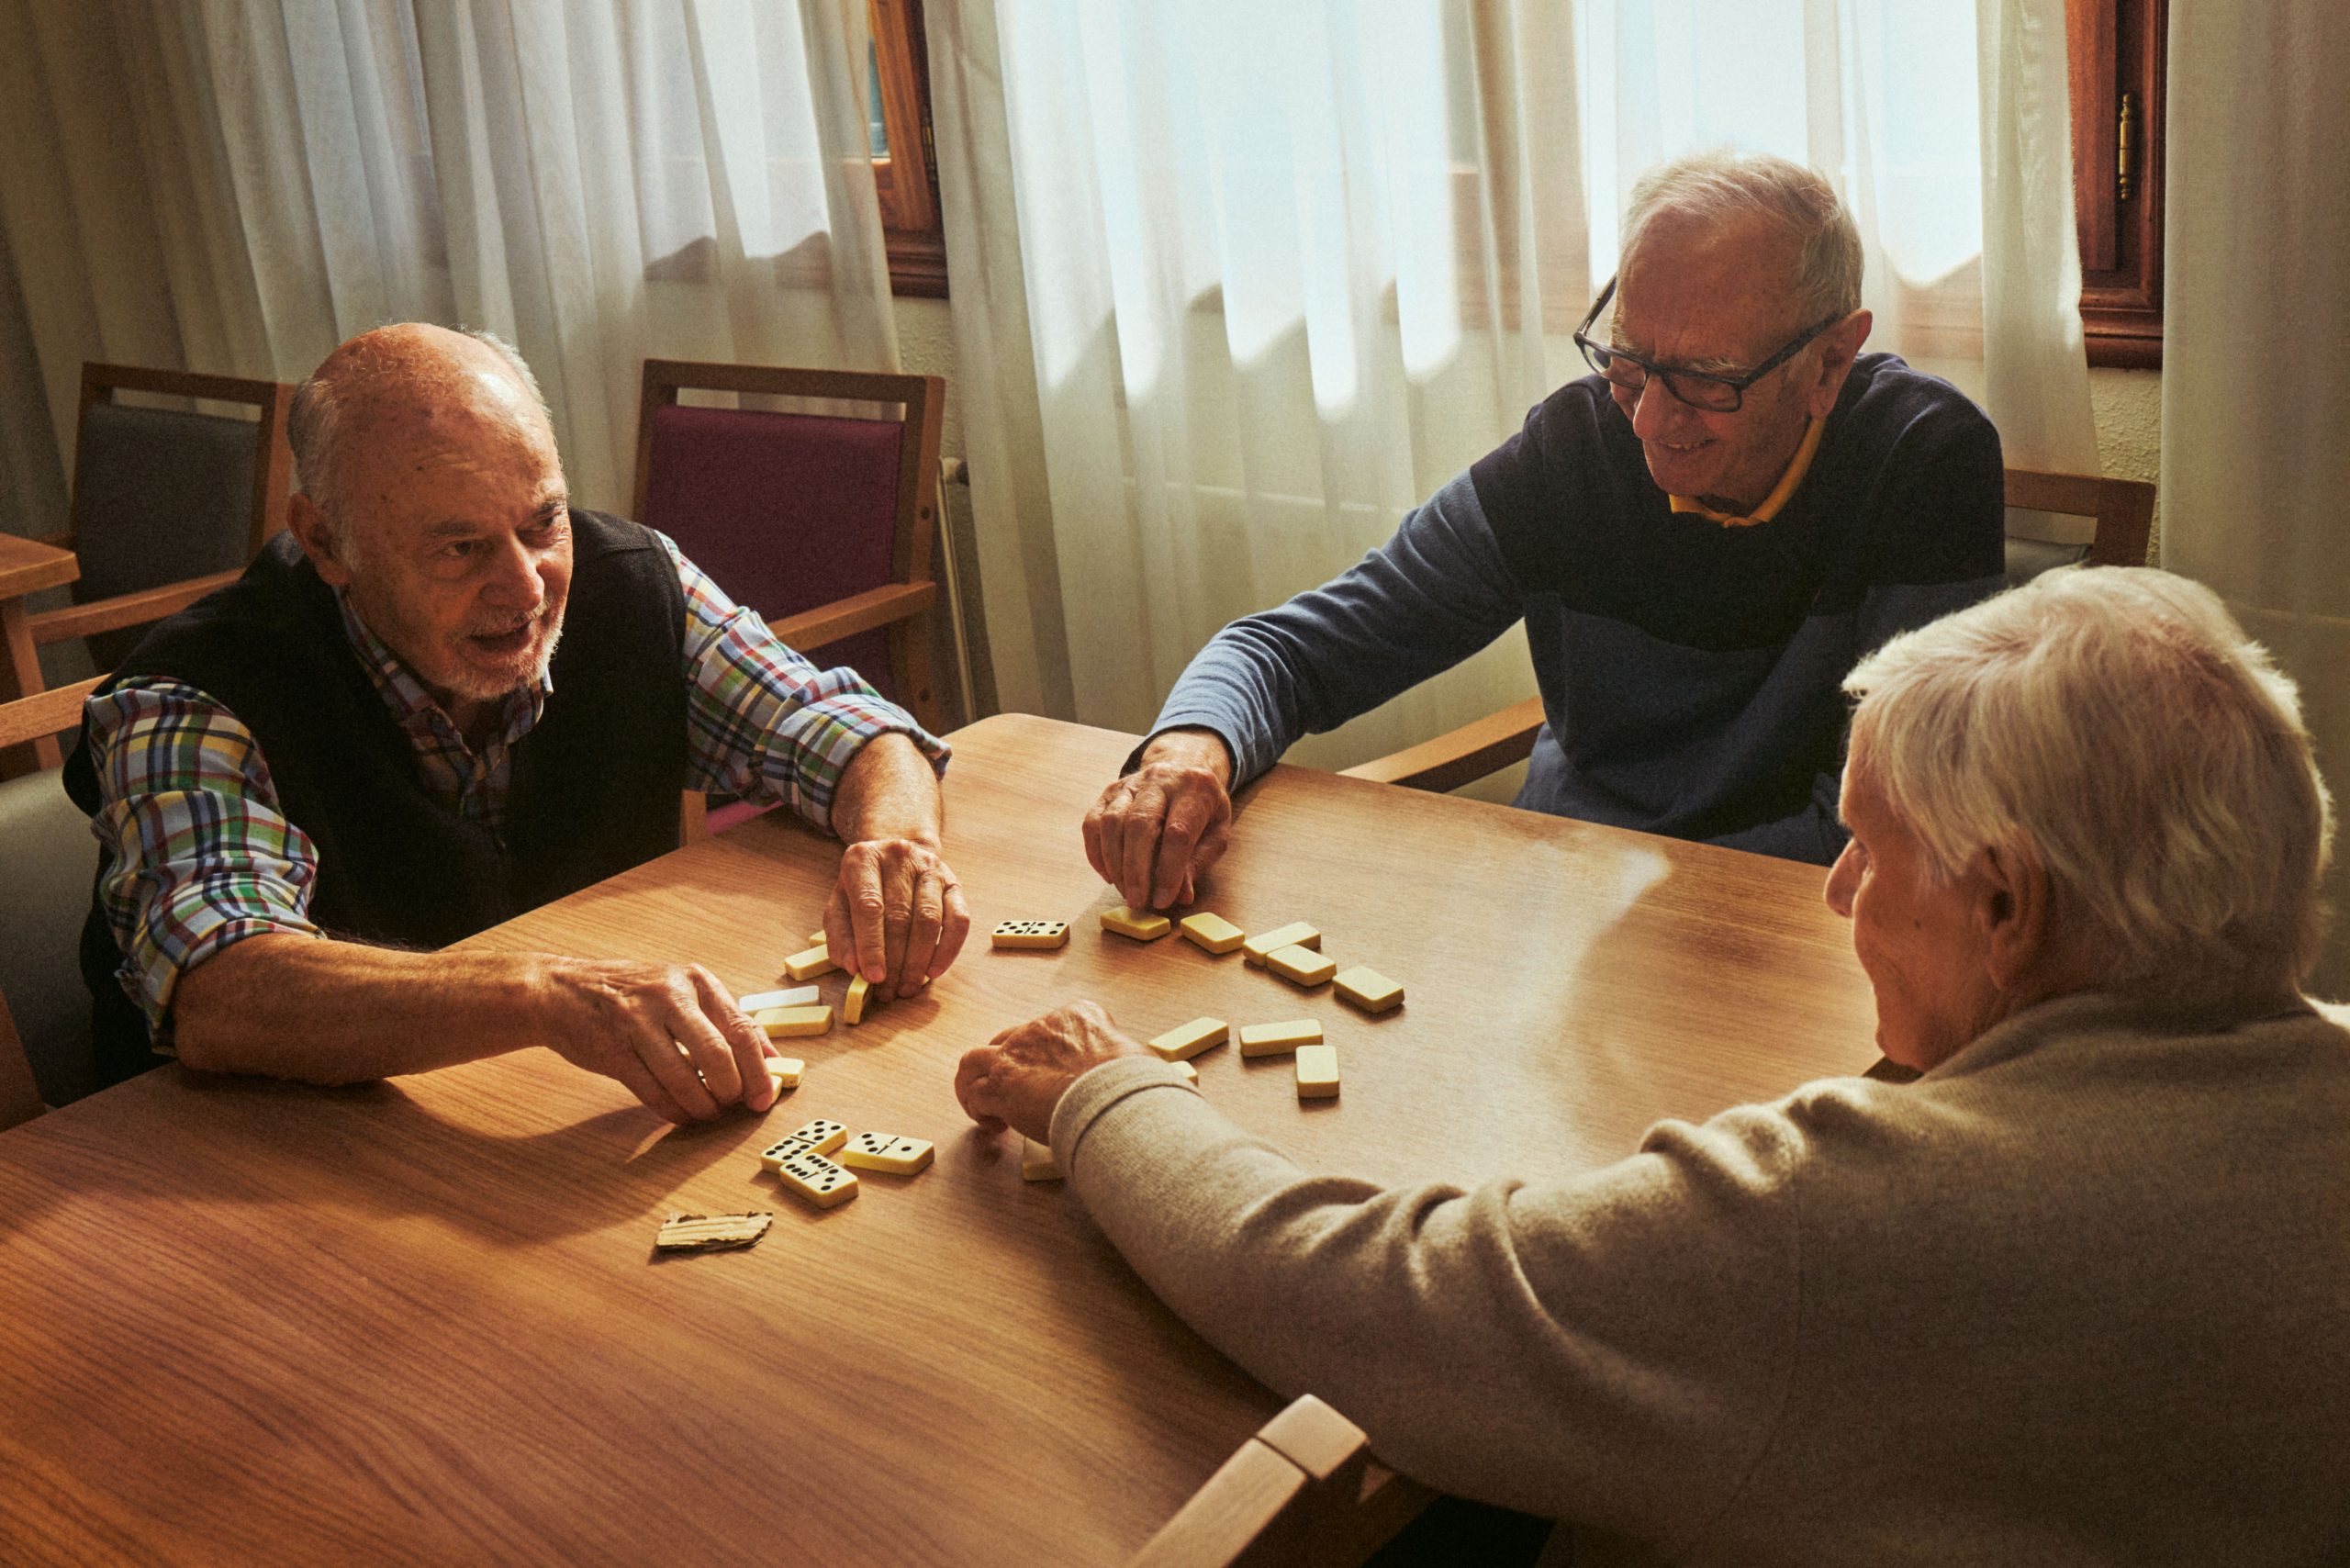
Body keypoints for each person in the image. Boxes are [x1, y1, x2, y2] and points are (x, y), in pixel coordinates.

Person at [963, 567, 2350, 1564]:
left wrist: (1104, 1090)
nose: (1835, 892)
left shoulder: (1843, 1213)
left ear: (2007, 906)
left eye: (1867, 849)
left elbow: (1355, 1298)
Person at [65, 323, 968, 1124]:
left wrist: (897, 843)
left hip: (543, 1105)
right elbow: (224, 988)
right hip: (241, 1160)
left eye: (542, 523)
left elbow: (840, 723)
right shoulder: (190, 694)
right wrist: (542, 990)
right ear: (327, 541)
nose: (526, 587)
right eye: (460, 548)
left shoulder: (631, 578)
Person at [1085, 150, 2007, 913]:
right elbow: (1289, 653)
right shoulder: (1575, 449)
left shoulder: (1920, 462)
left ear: (1831, 361)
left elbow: (1882, 834)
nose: (1649, 423)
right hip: (1566, 904)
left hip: (1777, 925)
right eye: (1629, 360)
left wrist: (1611, 897)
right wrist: (1188, 751)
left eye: (1706, 378)